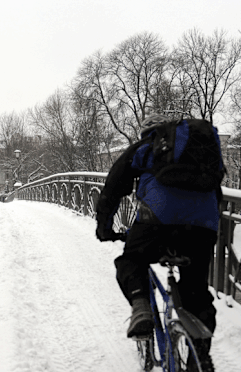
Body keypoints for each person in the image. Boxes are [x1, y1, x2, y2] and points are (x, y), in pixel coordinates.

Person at [94, 114, 222, 347]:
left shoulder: (145, 146)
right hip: (203, 225)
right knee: (196, 289)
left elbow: (113, 187)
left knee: (131, 261)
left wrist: (104, 227)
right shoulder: (198, 152)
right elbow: (215, 191)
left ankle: (141, 308)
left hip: (158, 221)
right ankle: (201, 357)